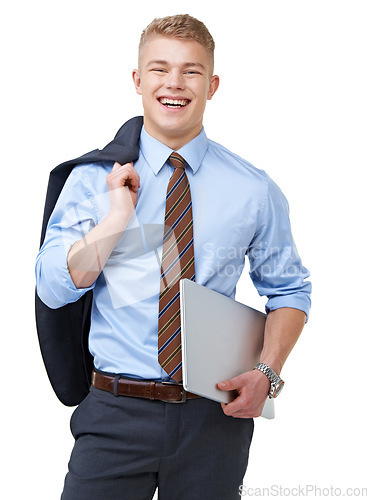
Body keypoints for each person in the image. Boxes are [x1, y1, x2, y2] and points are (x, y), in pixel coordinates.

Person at [35, 14, 311, 500]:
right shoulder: (93, 179)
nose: (175, 84)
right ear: (138, 80)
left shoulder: (253, 188)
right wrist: (117, 218)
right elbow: (55, 287)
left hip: (214, 414)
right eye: (160, 69)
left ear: (213, 84)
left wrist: (268, 374)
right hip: (114, 412)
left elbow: (289, 291)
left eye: (192, 71)